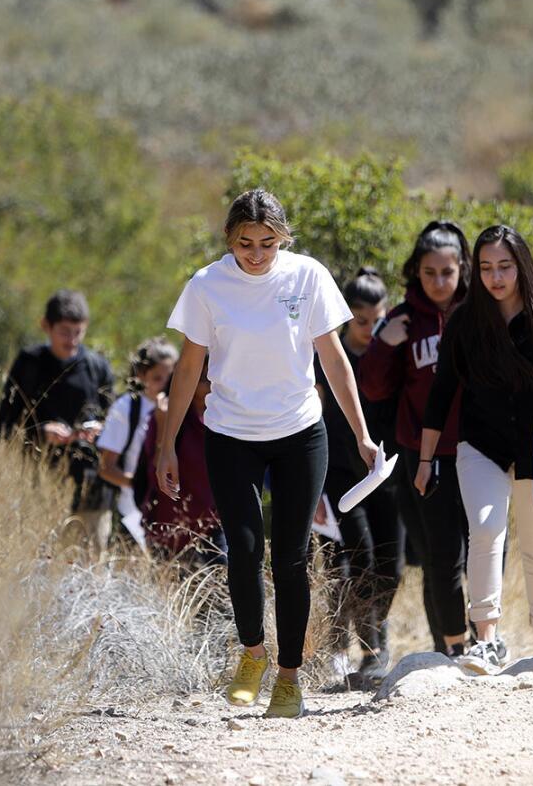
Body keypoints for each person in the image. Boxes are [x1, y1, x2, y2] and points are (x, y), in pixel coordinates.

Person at [157, 188, 377, 718]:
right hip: (230, 433)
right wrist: (166, 444)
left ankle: (289, 677)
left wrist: (363, 435)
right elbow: (188, 369)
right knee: (245, 548)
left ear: (284, 239)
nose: (255, 254)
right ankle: (252, 655)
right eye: (244, 243)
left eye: (267, 242)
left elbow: (334, 361)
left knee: (293, 557)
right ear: (229, 239)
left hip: (300, 432)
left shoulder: (308, 277)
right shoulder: (208, 285)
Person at [419, 225, 533, 674]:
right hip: (480, 445)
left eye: (504, 266)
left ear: (521, 265)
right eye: (485, 268)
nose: (495, 277)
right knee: (484, 531)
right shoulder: (465, 320)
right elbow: (441, 392)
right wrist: (425, 460)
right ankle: (487, 640)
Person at [357, 220, 487, 660]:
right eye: (429, 273)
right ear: (416, 271)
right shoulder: (403, 319)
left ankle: (484, 639)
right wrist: (383, 345)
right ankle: (448, 648)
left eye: (446, 273)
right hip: (424, 454)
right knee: (440, 556)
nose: (438, 282)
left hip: (480, 448)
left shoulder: (479, 310)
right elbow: (372, 388)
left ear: (462, 269)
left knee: (488, 547)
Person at [312, 267, 405, 680]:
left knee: (393, 565)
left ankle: (375, 640)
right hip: (338, 476)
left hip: (387, 475)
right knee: (354, 560)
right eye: (360, 321)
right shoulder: (329, 357)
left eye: (376, 320)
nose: (369, 330)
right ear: (347, 316)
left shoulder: (392, 352)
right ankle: (360, 650)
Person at [0, 289, 117, 557]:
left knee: (92, 571)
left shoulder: (98, 367)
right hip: (39, 488)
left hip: (92, 493)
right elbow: (3, 428)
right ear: (46, 326)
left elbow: (117, 426)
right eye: (64, 331)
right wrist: (40, 434)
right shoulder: (29, 364)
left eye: (78, 332)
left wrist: (99, 431)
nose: (71, 340)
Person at [136, 356, 227, 569]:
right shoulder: (167, 416)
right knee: (171, 589)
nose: (207, 381)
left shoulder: (227, 416)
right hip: (170, 524)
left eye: (211, 375)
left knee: (221, 585)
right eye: (201, 376)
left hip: (214, 523)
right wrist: (163, 424)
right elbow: (155, 470)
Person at [97, 337, 178, 552]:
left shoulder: (182, 409)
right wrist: (144, 486)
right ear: (141, 376)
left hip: (172, 512)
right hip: (131, 511)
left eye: (170, 378)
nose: (164, 385)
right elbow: (106, 467)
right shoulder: (126, 409)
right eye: (157, 378)